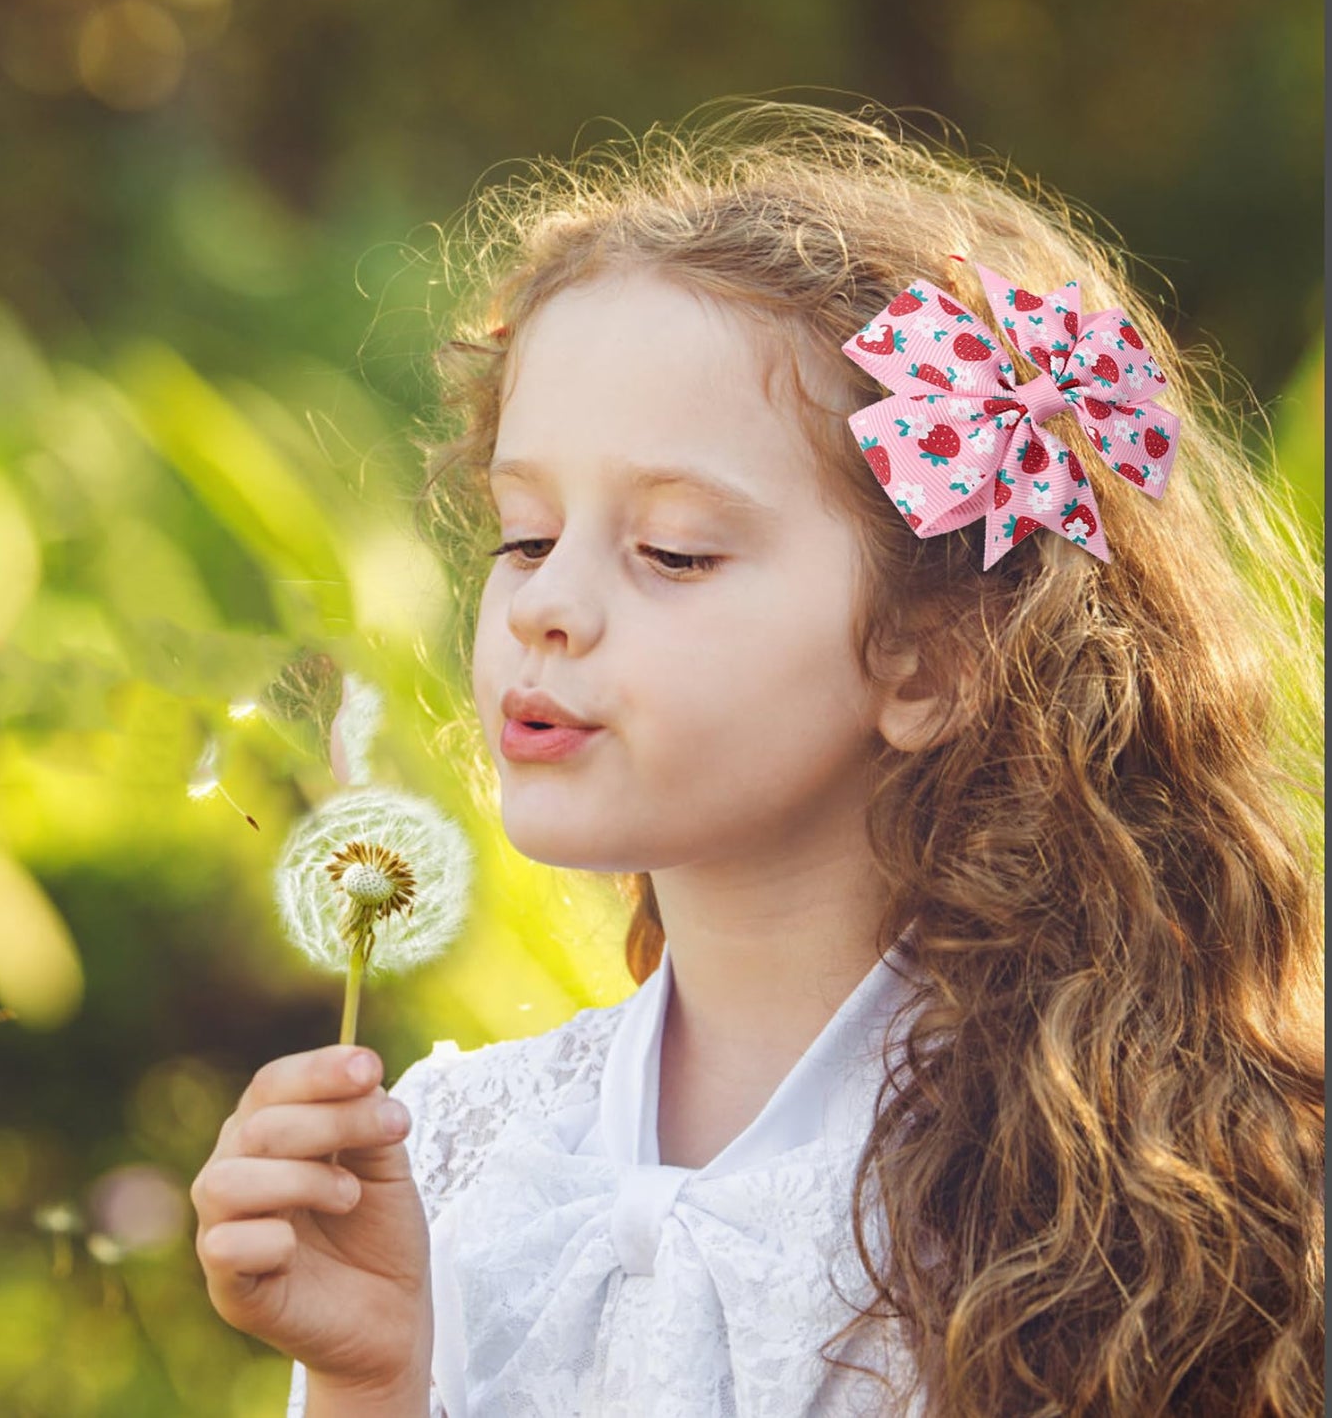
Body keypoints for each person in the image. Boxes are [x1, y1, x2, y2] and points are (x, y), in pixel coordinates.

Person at [190, 101, 1324, 1417]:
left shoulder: (1160, 1184)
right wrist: (369, 1373)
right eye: (522, 534)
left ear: (933, 654)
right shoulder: (453, 1155)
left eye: (672, 550)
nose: (546, 604)